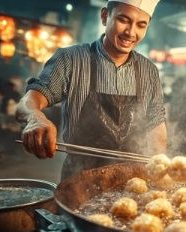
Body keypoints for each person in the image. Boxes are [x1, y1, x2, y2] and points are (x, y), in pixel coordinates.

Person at [16, 0, 167, 180]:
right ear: (105, 16)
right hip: (79, 181)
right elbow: (28, 101)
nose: (131, 32)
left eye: (141, 25)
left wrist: (159, 169)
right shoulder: (71, 59)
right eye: (123, 20)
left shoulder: (149, 70)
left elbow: (156, 125)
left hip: (132, 181)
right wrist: (35, 118)